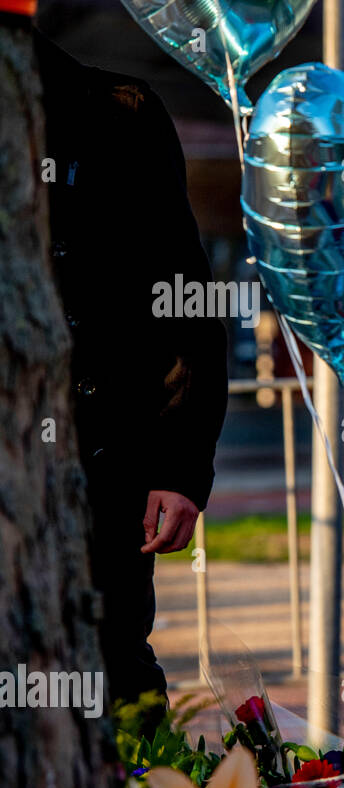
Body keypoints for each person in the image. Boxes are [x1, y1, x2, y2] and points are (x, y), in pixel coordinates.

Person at [34, 26, 229, 711]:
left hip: (102, 468)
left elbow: (188, 302)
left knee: (113, 671)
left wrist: (180, 468)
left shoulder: (118, 112)